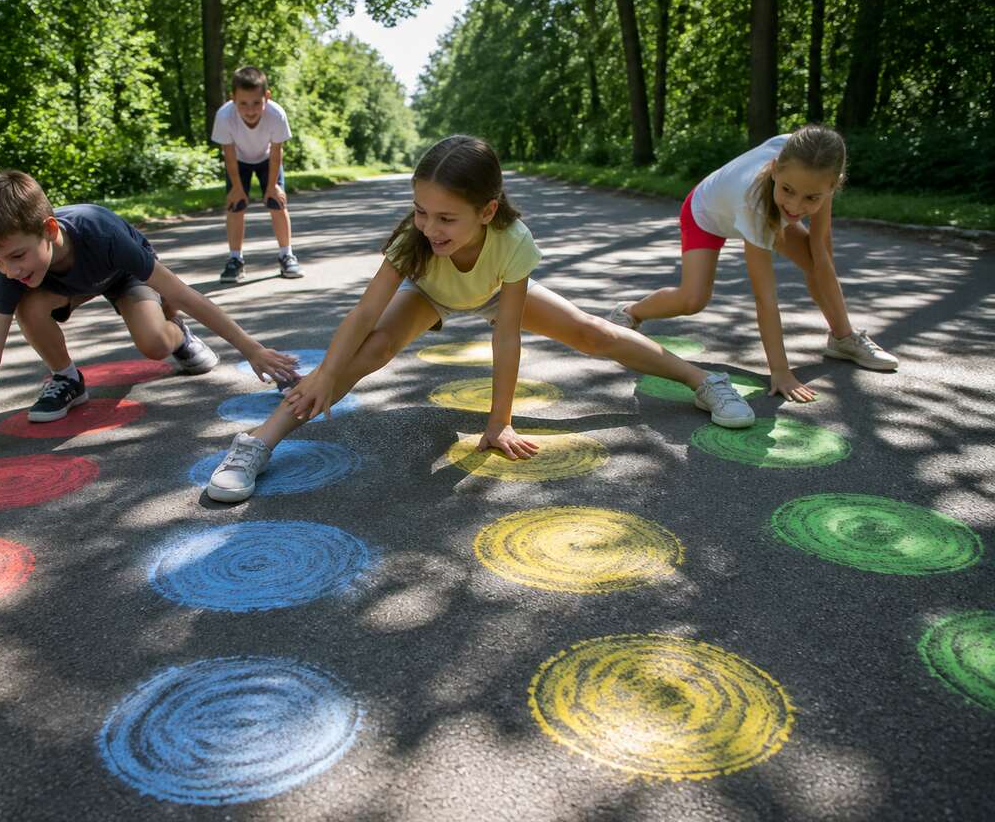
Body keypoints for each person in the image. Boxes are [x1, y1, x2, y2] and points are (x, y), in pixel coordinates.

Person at [204, 135, 756, 503]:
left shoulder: (511, 241)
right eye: (421, 211)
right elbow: (366, 311)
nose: (428, 225)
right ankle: (257, 442)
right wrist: (325, 372)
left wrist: (499, 422)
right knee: (366, 352)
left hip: (492, 291)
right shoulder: (415, 241)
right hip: (431, 292)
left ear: (487, 211)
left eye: (446, 217)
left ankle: (704, 380)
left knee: (593, 333)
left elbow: (508, 336)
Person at [0, 170, 298, 477]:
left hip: (122, 276)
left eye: (16, 255)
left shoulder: (101, 233)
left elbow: (182, 292)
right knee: (28, 308)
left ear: (50, 230)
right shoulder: (15, 270)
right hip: (64, 286)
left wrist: (251, 348)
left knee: (153, 344)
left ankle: (177, 334)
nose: (9, 269)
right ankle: (67, 378)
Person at [605, 125, 898, 402]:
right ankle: (630, 312)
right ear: (774, 169)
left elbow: (821, 253)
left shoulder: (816, 162)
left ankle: (843, 339)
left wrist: (838, 319)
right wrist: (781, 371)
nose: (796, 207)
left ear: (833, 185)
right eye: (788, 190)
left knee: (815, 260)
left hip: (765, 207)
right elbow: (764, 297)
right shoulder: (756, 202)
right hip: (705, 213)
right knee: (693, 299)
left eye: (812, 198)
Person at [211, 66, 301, 284]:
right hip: (238, 160)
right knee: (235, 204)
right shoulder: (224, 116)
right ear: (233, 99)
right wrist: (237, 188)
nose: (250, 110)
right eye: (243, 103)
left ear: (266, 98)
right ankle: (235, 260)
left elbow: (277, 150)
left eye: (256, 103)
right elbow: (229, 154)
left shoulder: (276, 114)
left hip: (267, 159)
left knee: (276, 202)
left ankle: (286, 254)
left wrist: (272, 187)